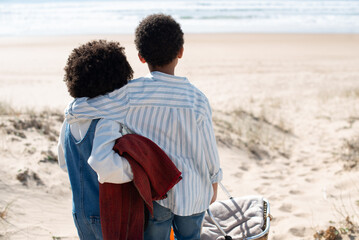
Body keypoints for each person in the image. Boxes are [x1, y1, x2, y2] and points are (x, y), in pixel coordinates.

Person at [65, 14, 222, 240]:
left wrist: (72, 109)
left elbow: (93, 106)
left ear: (140, 57)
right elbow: (209, 148)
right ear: (181, 52)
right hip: (194, 191)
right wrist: (214, 180)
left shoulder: (129, 94)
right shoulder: (197, 99)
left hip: (156, 191)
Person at [57, 40, 134, 240]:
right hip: (108, 213)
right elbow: (105, 165)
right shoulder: (106, 121)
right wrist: (136, 169)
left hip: (79, 212)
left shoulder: (69, 121)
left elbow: (64, 162)